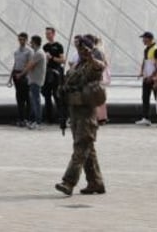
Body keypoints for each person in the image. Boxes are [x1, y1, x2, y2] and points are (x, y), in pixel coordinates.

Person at [55, 36, 106, 196]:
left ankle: (68, 182)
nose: (80, 51)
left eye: (83, 48)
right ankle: (95, 182)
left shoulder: (92, 64)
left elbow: (100, 67)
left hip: (86, 114)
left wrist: (91, 57)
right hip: (75, 112)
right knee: (87, 150)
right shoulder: (77, 66)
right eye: (78, 48)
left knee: (80, 148)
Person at [136, 31, 157, 125]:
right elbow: (145, 61)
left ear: (150, 39)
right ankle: (145, 118)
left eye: (144, 38)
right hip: (147, 78)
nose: (143, 40)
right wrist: (141, 72)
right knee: (145, 98)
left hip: (154, 79)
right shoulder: (146, 49)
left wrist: (152, 77)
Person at [42, 26, 65, 124]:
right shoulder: (44, 47)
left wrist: (52, 58)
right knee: (47, 96)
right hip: (47, 72)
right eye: (46, 33)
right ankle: (49, 118)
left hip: (56, 72)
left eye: (49, 33)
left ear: (53, 34)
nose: (47, 35)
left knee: (57, 95)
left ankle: (61, 117)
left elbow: (63, 60)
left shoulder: (58, 45)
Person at [9, 32, 32, 126]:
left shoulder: (29, 51)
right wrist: (11, 77)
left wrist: (22, 74)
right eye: (19, 39)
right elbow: (15, 64)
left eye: (23, 39)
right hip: (16, 74)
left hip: (25, 75)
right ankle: (21, 118)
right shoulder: (16, 51)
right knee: (19, 98)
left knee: (27, 98)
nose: (21, 41)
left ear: (26, 40)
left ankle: (28, 118)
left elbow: (29, 65)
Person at [23, 35, 46, 129]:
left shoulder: (39, 53)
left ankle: (38, 122)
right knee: (34, 101)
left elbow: (30, 66)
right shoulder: (37, 52)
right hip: (34, 80)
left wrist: (21, 74)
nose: (30, 43)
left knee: (36, 101)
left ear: (35, 42)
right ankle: (34, 120)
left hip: (36, 80)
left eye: (31, 42)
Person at [93, 36, 111, 125]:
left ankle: (99, 117)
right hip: (102, 78)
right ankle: (103, 117)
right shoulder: (102, 51)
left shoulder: (96, 52)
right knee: (101, 98)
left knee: (97, 98)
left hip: (99, 77)